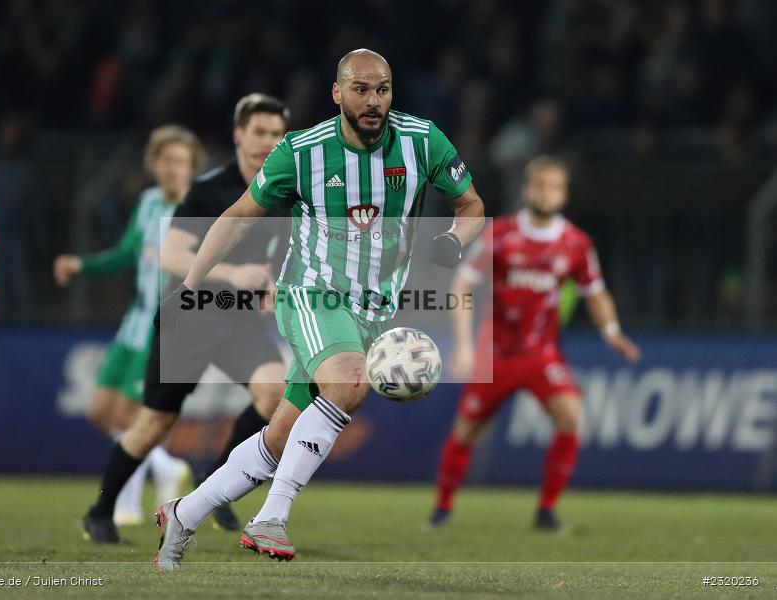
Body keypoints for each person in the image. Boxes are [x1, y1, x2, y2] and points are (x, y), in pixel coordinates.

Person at [152, 48, 486, 571]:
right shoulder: (301, 151)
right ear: (338, 93)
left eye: (382, 89)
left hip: (372, 311)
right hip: (310, 292)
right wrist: (189, 286)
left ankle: (183, 511)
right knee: (351, 381)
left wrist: (453, 238)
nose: (373, 100)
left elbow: (472, 205)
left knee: (281, 436)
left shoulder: (423, 141)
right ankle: (271, 518)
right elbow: (239, 217)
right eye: (361, 89)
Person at [82, 94, 291, 543]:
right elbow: (172, 253)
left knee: (275, 393)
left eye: (276, 134)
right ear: (239, 135)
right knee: (155, 422)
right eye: (259, 132)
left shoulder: (284, 193)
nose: (267, 142)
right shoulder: (211, 189)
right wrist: (236, 273)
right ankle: (100, 509)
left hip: (239, 319)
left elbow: (281, 255)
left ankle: (209, 491)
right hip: (191, 315)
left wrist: (275, 284)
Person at [428, 155, 641, 531]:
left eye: (555, 187)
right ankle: (442, 508)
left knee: (571, 417)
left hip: (542, 353)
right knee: (466, 431)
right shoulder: (502, 234)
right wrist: (462, 346)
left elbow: (596, 293)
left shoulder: (575, 243)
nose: (548, 193)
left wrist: (612, 333)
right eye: (541, 185)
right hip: (494, 352)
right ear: (528, 190)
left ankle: (546, 511)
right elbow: (462, 283)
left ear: (564, 194)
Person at [54, 125, 204, 525]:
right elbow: (126, 254)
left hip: (166, 325)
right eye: (164, 160)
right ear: (153, 164)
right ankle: (168, 467)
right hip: (132, 324)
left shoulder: (200, 207)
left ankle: (127, 505)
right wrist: (82, 265)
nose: (171, 169)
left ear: (193, 166)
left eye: (180, 161)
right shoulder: (149, 201)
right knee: (100, 409)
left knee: (130, 417)